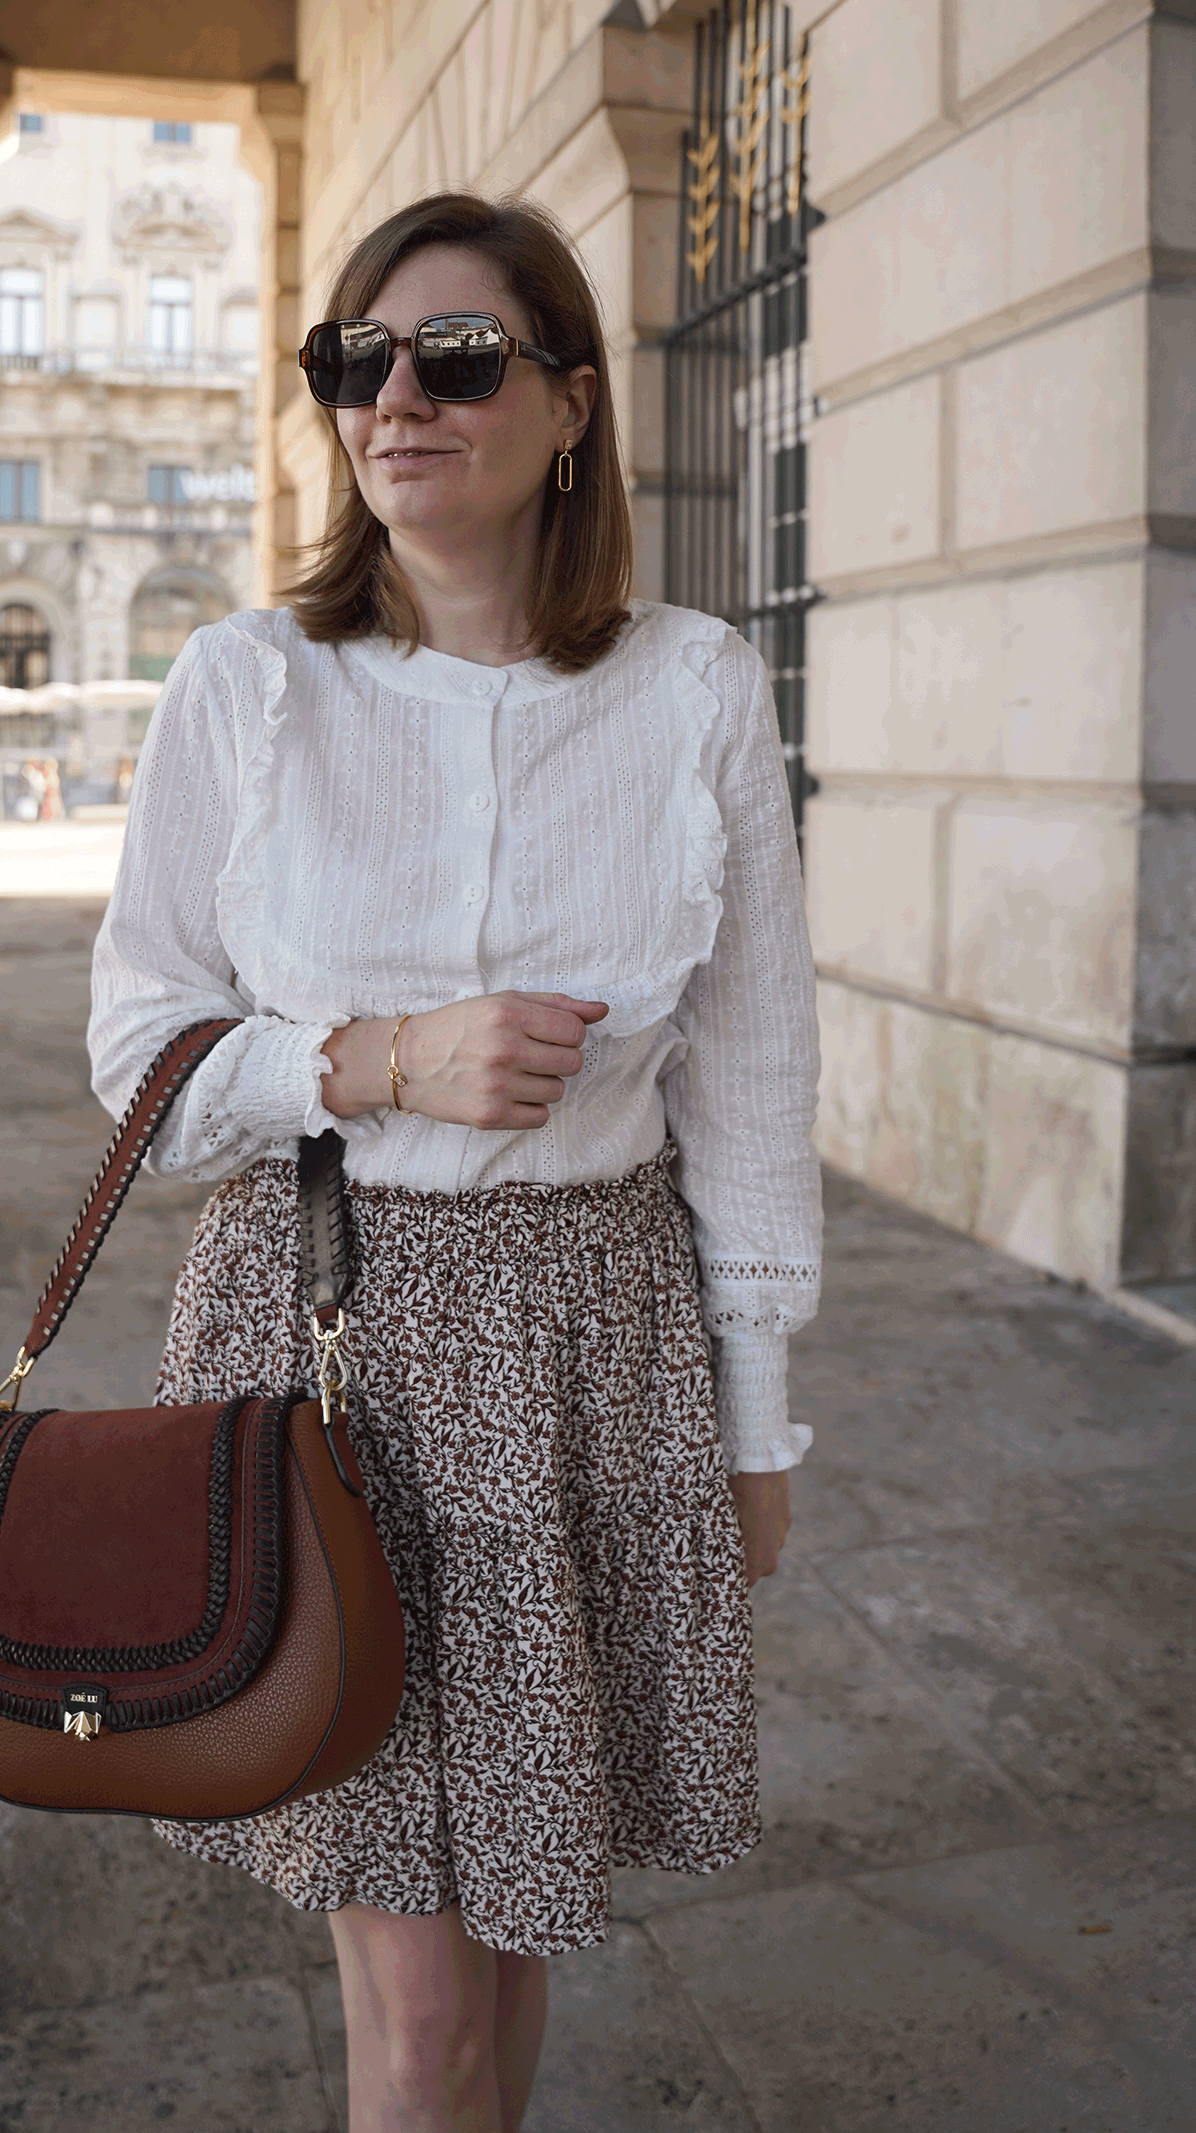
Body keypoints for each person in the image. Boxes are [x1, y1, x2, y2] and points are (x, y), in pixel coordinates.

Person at [88, 192, 821, 2133]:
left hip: (602, 1349)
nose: (395, 395)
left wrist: (753, 1424)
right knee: (410, 2013)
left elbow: (749, 1086)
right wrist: (383, 1055)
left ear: (571, 402)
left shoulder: (692, 688)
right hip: (335, 1345)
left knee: (512, 1934)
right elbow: (136, 1066)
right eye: (355, 360)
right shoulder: (248, 685)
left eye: (457, 356)